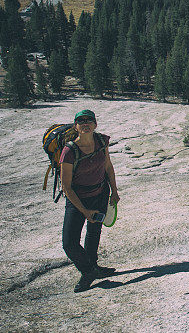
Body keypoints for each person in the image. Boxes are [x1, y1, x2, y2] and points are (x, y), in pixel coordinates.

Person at [60, 109, 120, 292]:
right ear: (76, 126)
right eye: (81, 121)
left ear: (95, 124)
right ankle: (89, 271)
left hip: (100, 193)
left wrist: (114, 191)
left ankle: (93, 267)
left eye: (89, 121)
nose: (85, 124)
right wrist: (84, 211)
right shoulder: (69, 151)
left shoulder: (102, 141)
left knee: (94, 232)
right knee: (69, 242)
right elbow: (67, 187)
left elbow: (108, 166)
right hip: (78, 200)